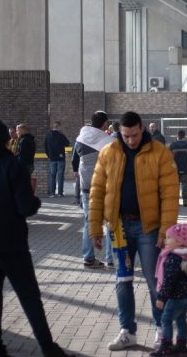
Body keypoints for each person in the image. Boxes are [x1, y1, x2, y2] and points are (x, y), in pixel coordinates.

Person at [0, 118, 72, 357]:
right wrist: (36, 202)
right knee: (29, 296)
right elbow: (26, 207)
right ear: (5, 141)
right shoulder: (13, 167)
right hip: (12, 243)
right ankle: (47, 348)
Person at [88, 111, 179, 351]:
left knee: (155, 281)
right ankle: (127, 332)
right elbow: (97, 191)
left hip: (150, 229)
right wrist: (94, 227)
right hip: (118, 229)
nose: (130, 140)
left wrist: (166, 232)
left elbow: (170, 195)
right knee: (122, 280)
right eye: (126, 136)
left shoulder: (160, 153)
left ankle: (162, 332)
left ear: (142, 129)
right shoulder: (108, 152)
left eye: (135, 135)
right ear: (119, 131)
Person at [151, 223, 187, 356]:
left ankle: (166, 347)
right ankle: (182, 347)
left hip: (176, 297)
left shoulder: (174, 258)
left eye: (168, 238)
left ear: (178, 241)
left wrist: (161, 298)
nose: (165, 240)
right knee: (181, 319)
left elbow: (169, 281)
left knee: (165, 320)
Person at [72, 111, 114, 269]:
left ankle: (88, 258)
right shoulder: (109, 141)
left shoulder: (80, 138)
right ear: (105, 124)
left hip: (86, 186)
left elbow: (75, 161)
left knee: (89, 221)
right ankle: (111, 259)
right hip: (105, 187)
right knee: (111, 221)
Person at [45, 121, 70, 197]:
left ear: (53, 127)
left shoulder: (48, 135)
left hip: (52, 158)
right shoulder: (61, 135)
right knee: (60, 176)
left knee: (52, 176)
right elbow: (67, 143)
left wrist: (49, 155)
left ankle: (52, 193)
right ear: (59, 127)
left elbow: (45, 146)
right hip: (60, 158)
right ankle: (60, 193)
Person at [169, 130, 187, 207]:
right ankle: (185, 201)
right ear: (184, 136)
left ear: (177, 136)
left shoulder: (172, 145)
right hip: (185, 168)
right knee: (185, 185)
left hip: (175, 169)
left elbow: (168, 158)